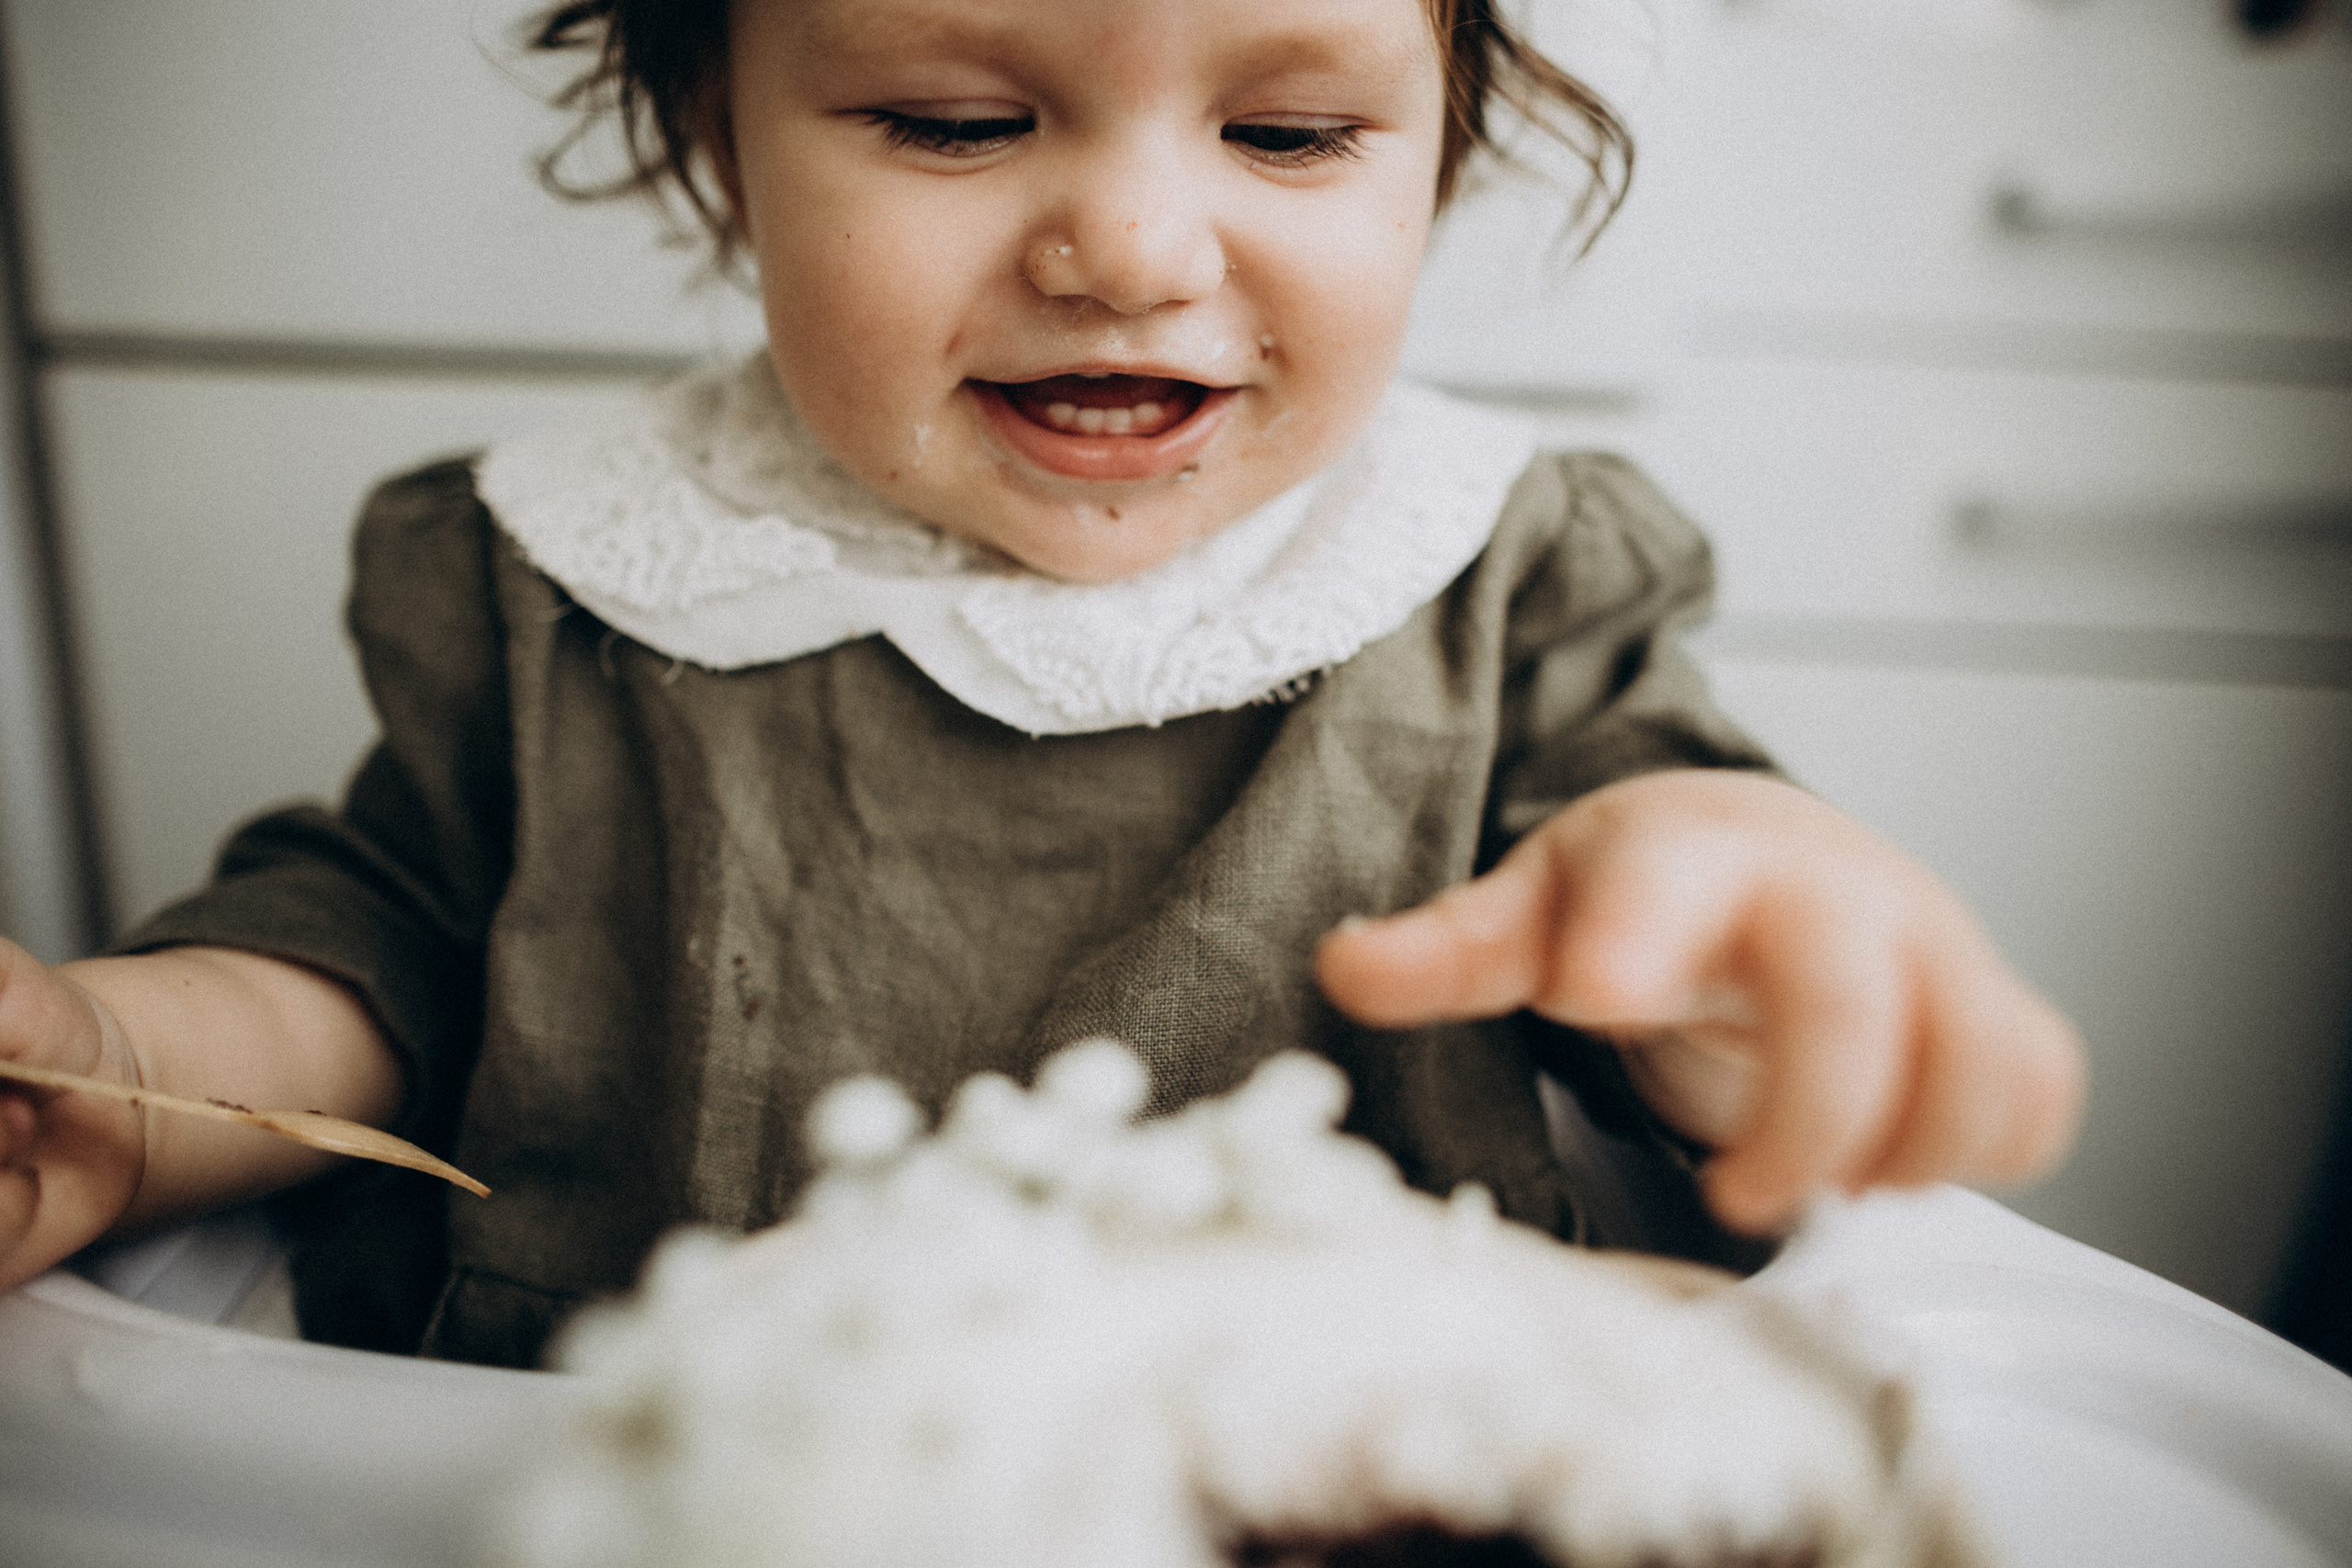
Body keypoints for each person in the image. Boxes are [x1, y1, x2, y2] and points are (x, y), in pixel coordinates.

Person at [0, 0, 2084, 1368]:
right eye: (954, 119)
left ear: (1437, 146)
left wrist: (1741, 923)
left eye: (1286, 134)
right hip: (632, 1467)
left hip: (1325, 1475)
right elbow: (384, 942)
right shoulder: (568, 572)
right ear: (716, 131)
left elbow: (1667, 881)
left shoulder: (1489, 571)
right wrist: (117, 1058)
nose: (1129, 246)